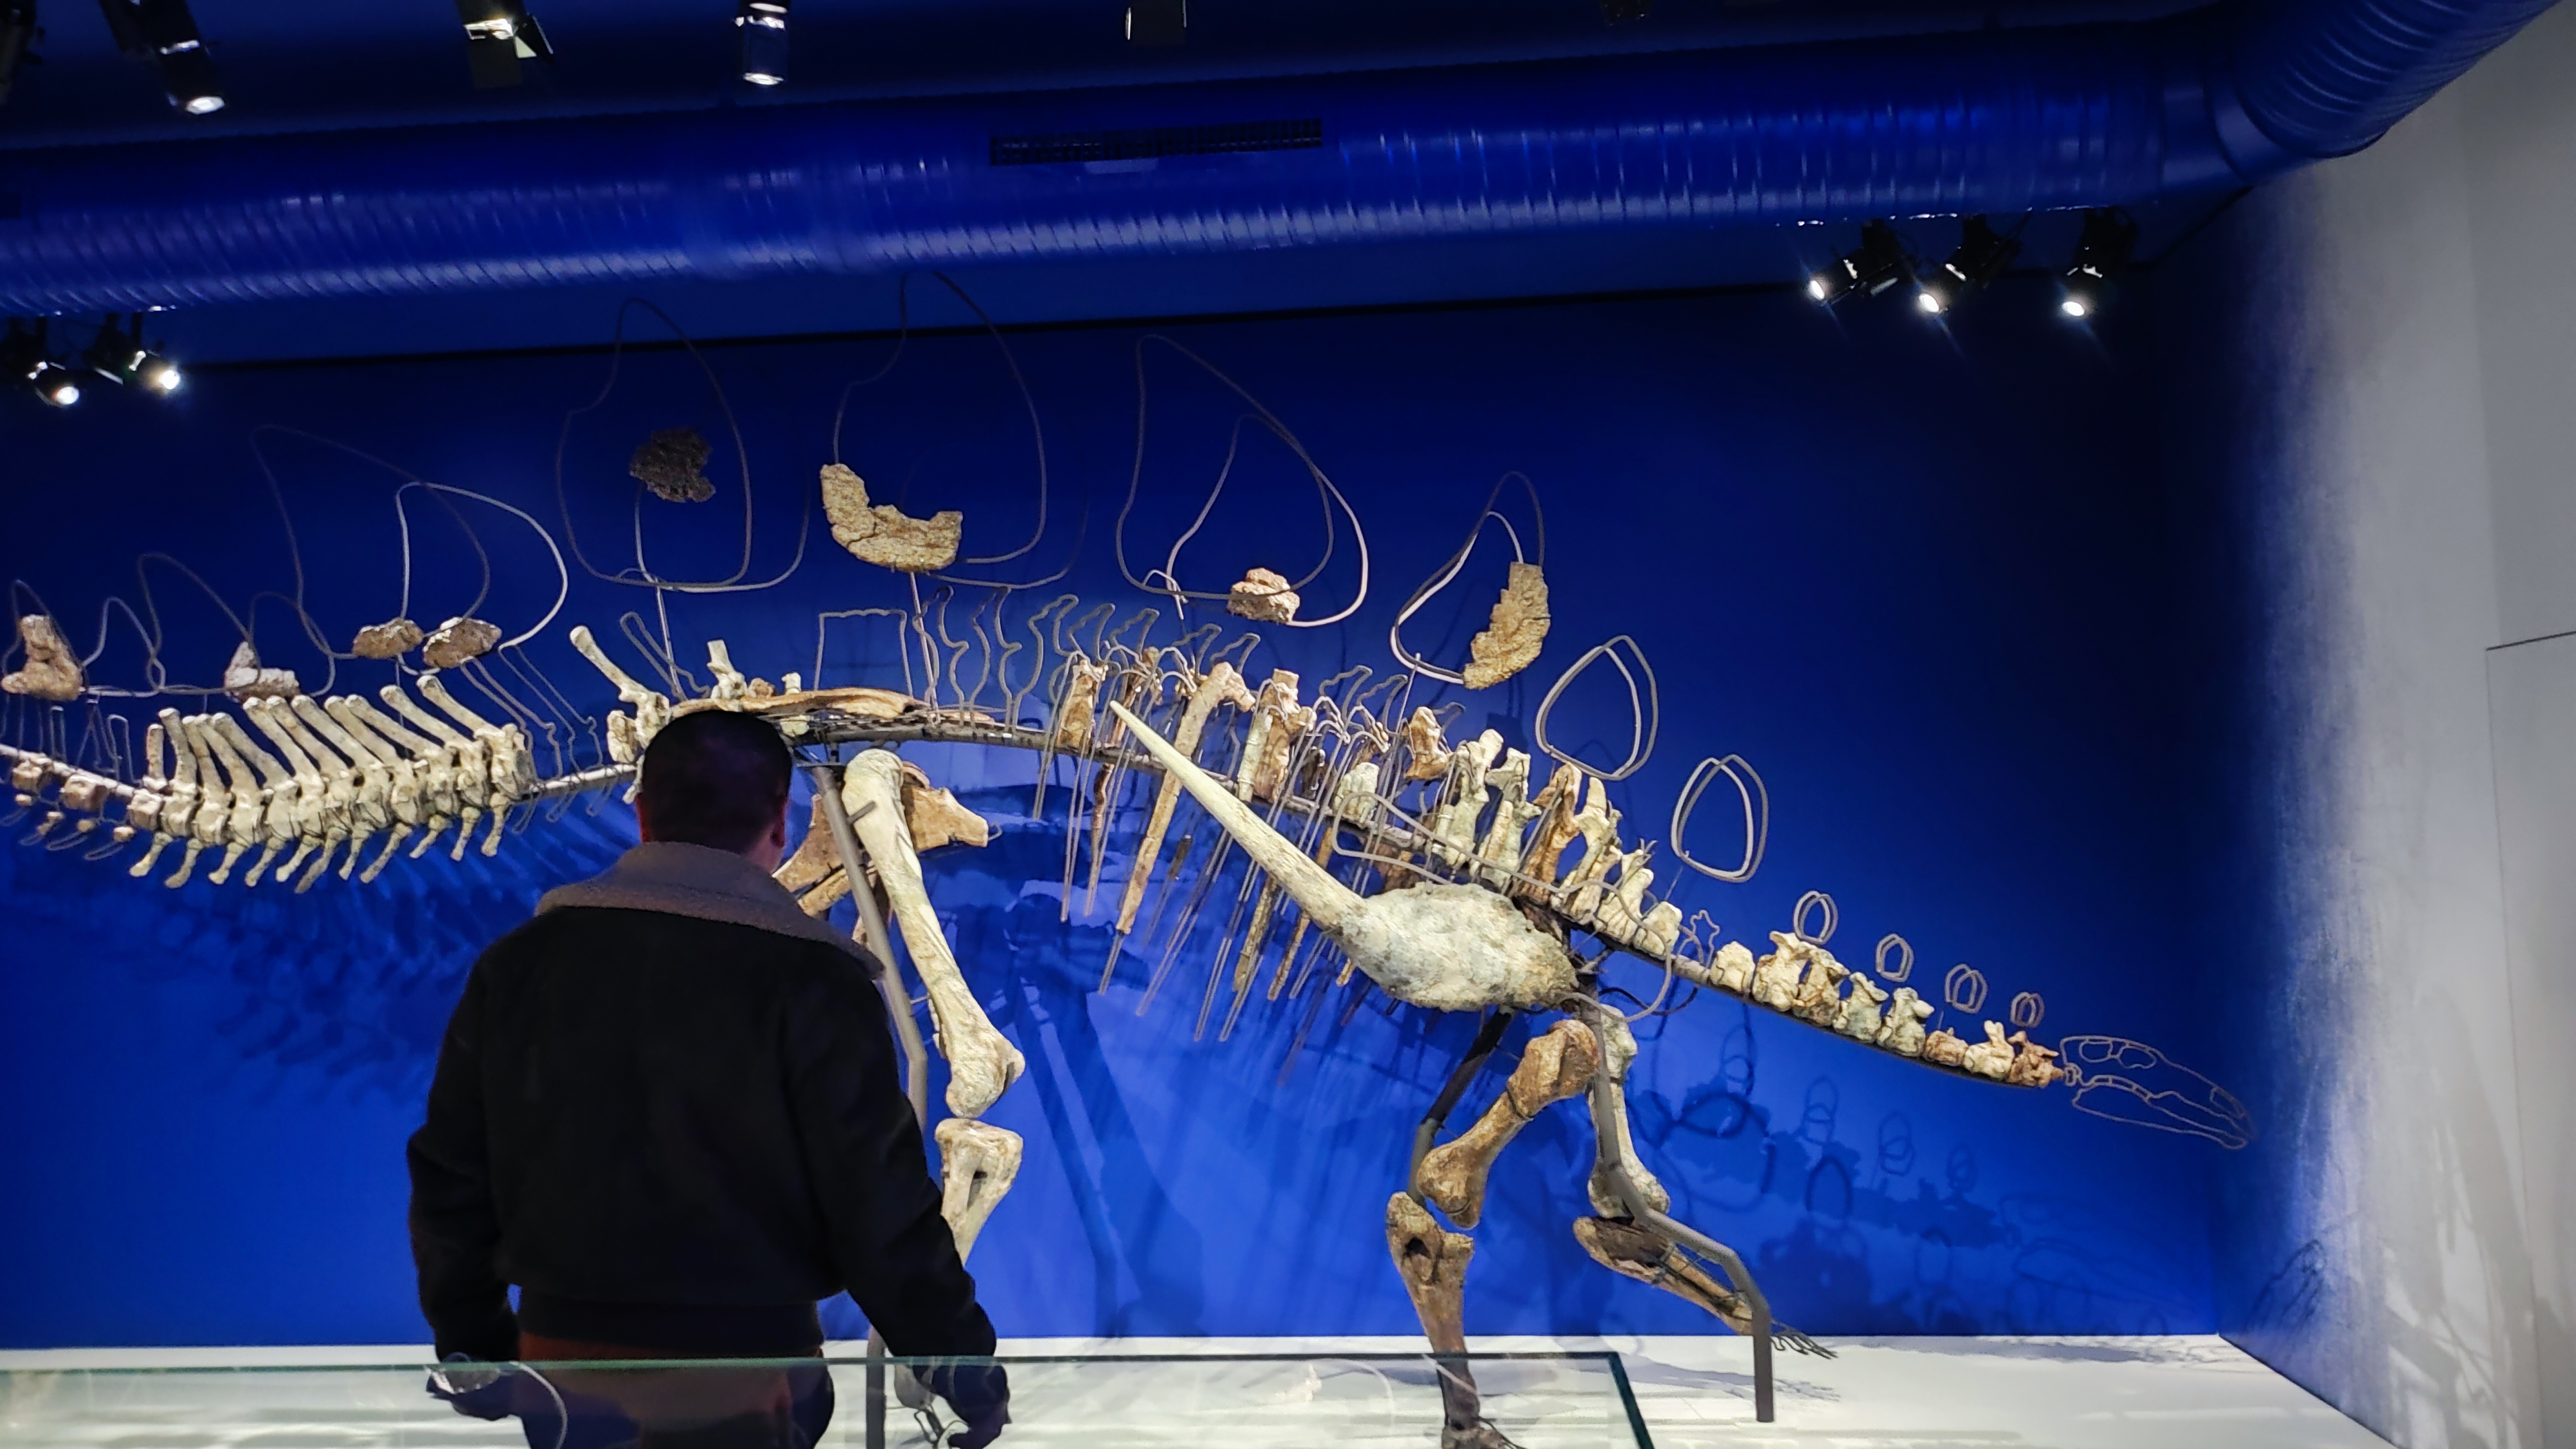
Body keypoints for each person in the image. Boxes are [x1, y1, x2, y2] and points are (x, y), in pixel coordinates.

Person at [406, 709, 1008, 1448]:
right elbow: (877, 1204)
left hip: (567, 1367)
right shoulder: (817, 981)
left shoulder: (517, 967)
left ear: (641, 813)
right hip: (751, 1371)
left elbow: (452, 1177)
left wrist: (473, 1348)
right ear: (781, 826)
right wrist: (963, 1368)